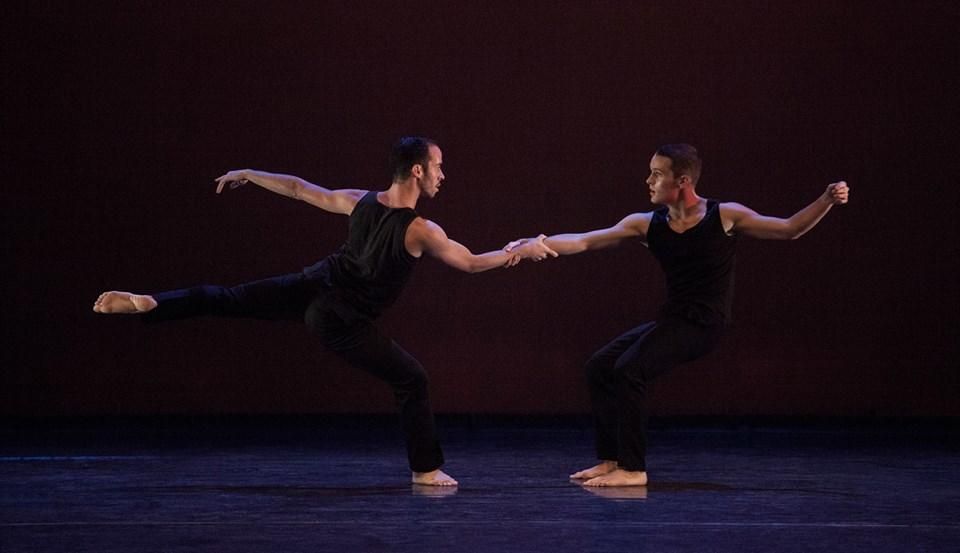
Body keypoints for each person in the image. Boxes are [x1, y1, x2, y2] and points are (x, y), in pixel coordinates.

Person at [93, 136, 555, 487]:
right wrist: (521, 252)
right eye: (438, 167)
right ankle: (426, 471)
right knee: (412, 379)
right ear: (417, 171)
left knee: (232, 298)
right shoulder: (420, 230)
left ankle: (154, 302)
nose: (442, 176)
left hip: (315, 281)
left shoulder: (360, 200)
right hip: (339, 317)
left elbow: (298, 189)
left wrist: (250, 173)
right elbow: (471, 262)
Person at [510, 143, 849, 487]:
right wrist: (534, 242)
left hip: (705, 324)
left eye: (657, 174)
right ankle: (611, 460)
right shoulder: (647, 224)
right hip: (672, 320)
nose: (648, 181)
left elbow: (790, 228)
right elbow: (585, 240)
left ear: (682, 181)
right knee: (600, 366)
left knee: (630, 370)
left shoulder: (725, 215)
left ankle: (633, 469)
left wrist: (826, 200)